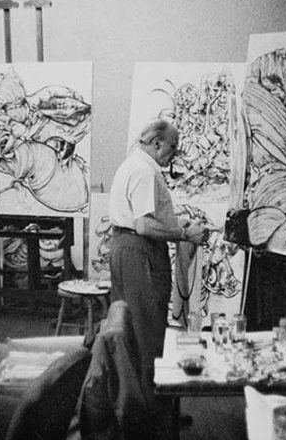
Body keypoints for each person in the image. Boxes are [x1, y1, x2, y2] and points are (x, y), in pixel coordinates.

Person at [108, 118, 210, 388]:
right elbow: (143, 225)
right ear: (156, 143)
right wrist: (184, 234)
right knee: (147, 328)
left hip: (124, 247)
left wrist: (175, 223)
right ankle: (149, 400)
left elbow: (142, 218)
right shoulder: (145, 171)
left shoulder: (132, 164)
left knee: (128, 324)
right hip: (140, 251)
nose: (175, 153)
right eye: (173, 147)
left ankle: (130, 395)